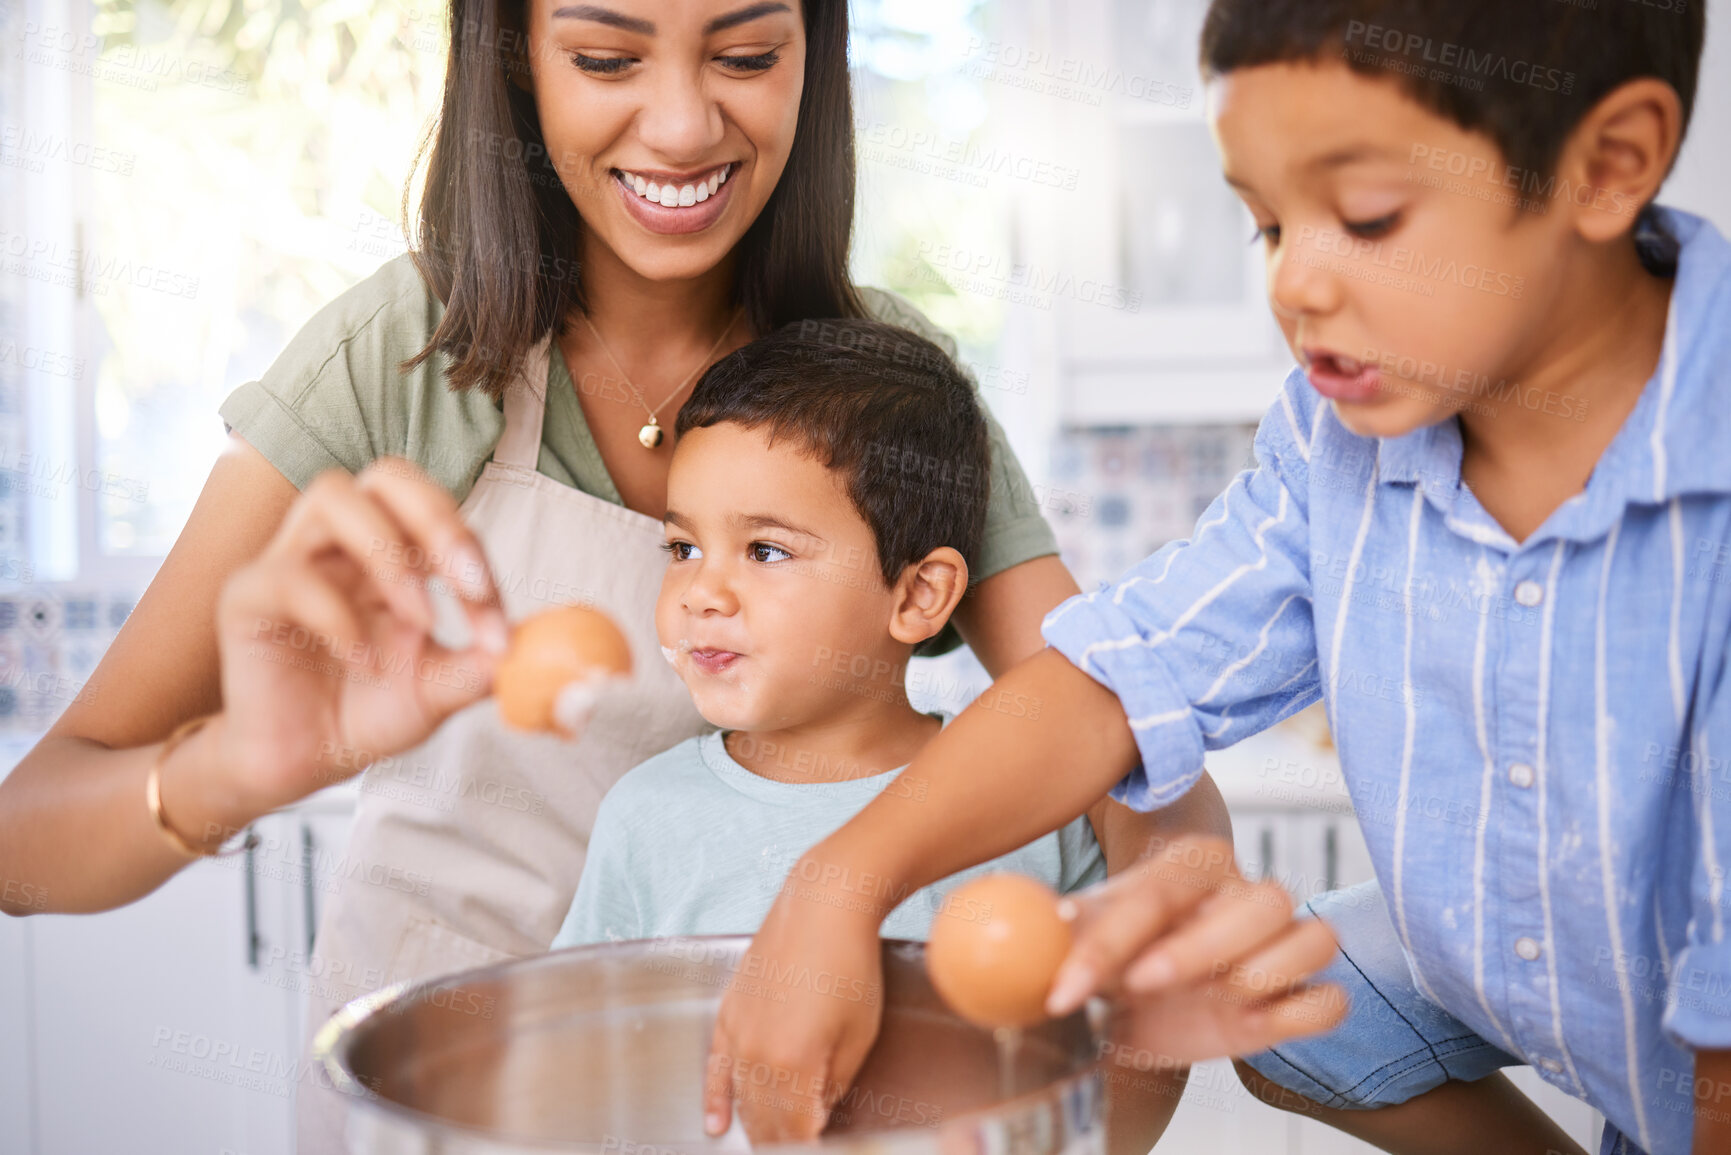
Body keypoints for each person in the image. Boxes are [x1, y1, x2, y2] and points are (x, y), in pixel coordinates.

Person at [0, 0, 1233, 1147]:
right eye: (605, 57)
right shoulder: (406, 359)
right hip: (447, 1105)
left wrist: (1100, 1088)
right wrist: (234, 771)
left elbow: (1128, 743)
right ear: (513, 55)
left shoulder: (880, 387)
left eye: (748, 55)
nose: (687, 124)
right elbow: (26, 841)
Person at [701, 2, 1731, 1153]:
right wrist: (836, 886)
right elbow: (1111, 676)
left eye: (1368, 216)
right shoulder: (1344, 446)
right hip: (1598, 1039)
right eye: (1267, 227)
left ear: (1610, 165)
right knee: (1284, 1007)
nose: (1295, 285)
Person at [551, 318, 1260, 1151]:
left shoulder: (1032, 806)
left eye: (766, 551)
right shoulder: (646, 817)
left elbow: (1140, 1053)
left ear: (920, 595)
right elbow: (585, 1068)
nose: (702, 591)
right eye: (682, 545)